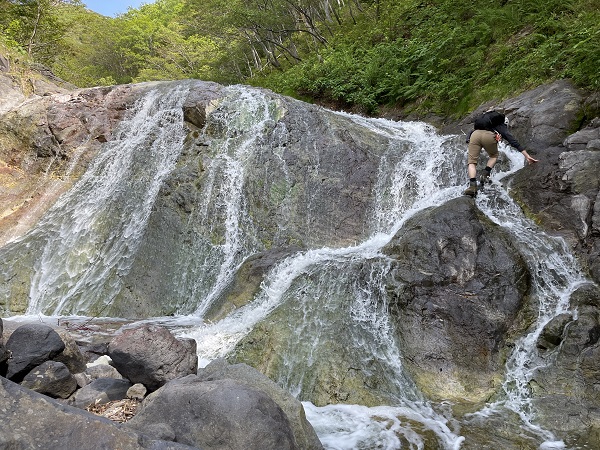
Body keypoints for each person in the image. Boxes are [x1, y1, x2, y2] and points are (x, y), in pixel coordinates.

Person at [463, 109, 538, 197]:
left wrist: (468, 139)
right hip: (489, 137)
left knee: (471, 162)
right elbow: (512, 141)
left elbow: (471, 132)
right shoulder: (500, 125)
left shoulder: (483, 121)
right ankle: (485, 174)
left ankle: (472, 186)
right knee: (494, 156)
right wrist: (527, 156)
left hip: (475, 135)